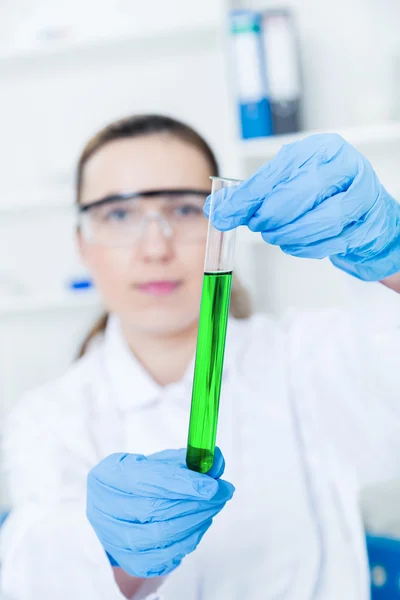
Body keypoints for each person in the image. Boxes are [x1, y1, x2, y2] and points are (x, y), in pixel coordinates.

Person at [1, 114, 400, 600]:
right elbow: (39, 572)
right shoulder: (48, 418)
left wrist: (394, 254)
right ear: (83, 244)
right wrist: (109, 555)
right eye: (119, 215)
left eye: (186, 210)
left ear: (226, 221)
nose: (155, 247)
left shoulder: (304, 357)